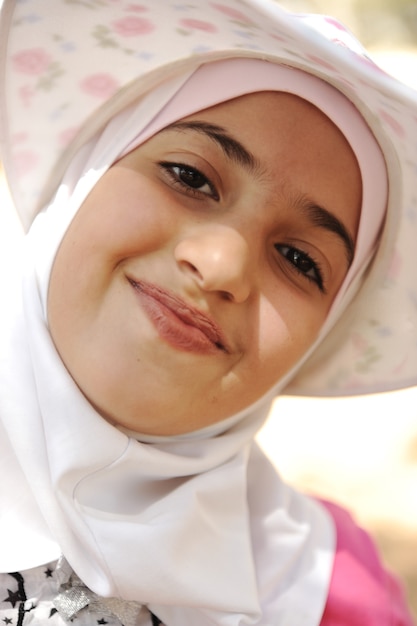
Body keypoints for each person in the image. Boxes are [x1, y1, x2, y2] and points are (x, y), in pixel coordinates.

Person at [0, 1, 415, 624]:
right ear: (83, 176)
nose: (221, 266)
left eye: (300, 261)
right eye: (189, 176)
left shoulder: (325, 592)